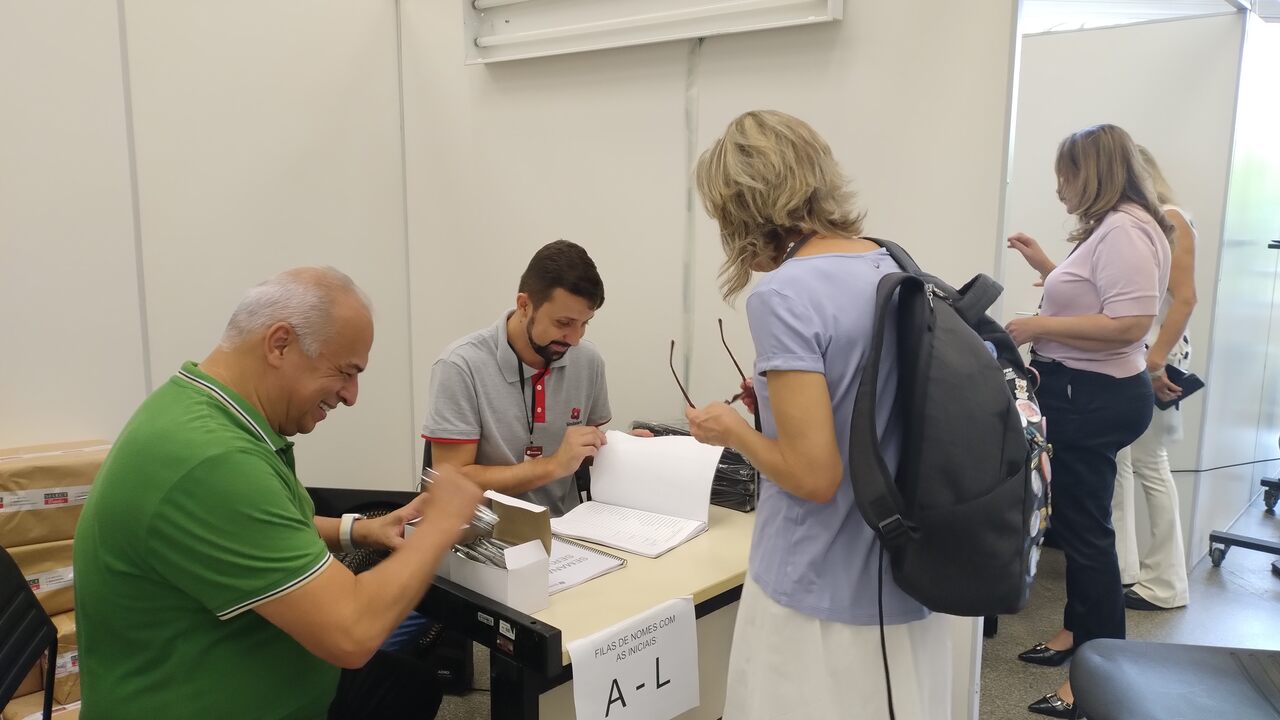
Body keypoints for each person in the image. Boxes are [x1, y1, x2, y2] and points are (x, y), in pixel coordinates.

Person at [74, 267, 483, 719]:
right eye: (345, 372)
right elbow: (352, 633)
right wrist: (442, 522)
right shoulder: (213, 460)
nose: (351, 396)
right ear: (280, 344)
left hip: (269, 673)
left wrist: (360, 531)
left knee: (409, 686)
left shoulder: (197, 409)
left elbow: (262, 524)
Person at [684, 110, 953, 720]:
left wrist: (734, 431)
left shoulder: (785, 294)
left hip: (819, 589)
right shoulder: (891, 264)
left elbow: (814, 476)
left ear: (743, 207)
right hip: (905, 574)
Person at [1005, 124, 1172, 719]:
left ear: (1094, 172)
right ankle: (1078, 633)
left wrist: (1036, 325)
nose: (1060, 188)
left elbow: (1129, 324)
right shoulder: (1116, 227)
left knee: (1086, 534)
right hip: (1087, 391)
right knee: (1080, 526)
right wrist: (1048, 268)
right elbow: (1098, 299)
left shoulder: (1125, 229)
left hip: (1092, 396)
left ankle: (1098, 678)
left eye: (1066, 176)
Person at [422, 239, 613, 517]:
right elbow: (451, 481)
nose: (574, 339)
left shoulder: (588, 361)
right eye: (563, 323)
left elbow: (584, 454)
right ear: (524, 305)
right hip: (486, 534)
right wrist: (553, 465)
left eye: (584, 324)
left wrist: (627, 451)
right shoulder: (460, 365)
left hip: (568, 529)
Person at [1111, 145, 1197, 611]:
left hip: (1152, 358)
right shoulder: (1143, 222)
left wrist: (1156, 362)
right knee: (1125, 463)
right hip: (1139, 356)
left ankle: (1165, 583)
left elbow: (1185, 299)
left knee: (1149, 464)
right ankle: (1125, 568)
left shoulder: (1171, 219)